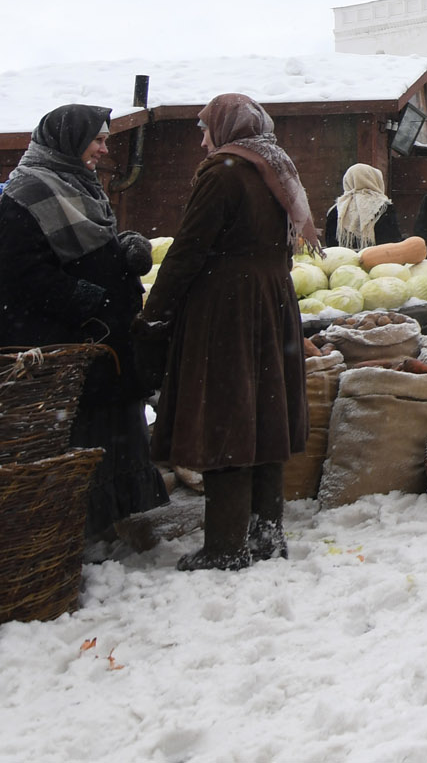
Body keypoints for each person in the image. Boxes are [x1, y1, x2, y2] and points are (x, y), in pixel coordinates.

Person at [144, 94, 311, 571]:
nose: (202, 140)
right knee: (264, 413)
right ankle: (266, 532)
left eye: (204, 128)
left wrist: (154, 314)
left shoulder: (225, 172)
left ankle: (225, 545)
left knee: (228, 415)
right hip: (270, 302)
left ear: (226, 126)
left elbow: (187, 251)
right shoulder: (276, 167)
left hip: (228, 308)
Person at [0, 105, 170, 536]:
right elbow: (21, 273)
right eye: (97, 140)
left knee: (110, 425)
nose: (103, 148)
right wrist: (90, 299)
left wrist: (127, 247)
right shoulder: (27, 193)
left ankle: (110, 514)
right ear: (68, 142)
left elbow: (96, 243)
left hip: (100, 334)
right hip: (62, 338)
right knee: (80, 430)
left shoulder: (79, 183)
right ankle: (78, 522)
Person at [321, 163, 400, 250]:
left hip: (342, 261)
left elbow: (331, 244)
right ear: (375, 180)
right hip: (377, 260)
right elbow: (392, 241)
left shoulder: (336, 209)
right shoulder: (383, 207)